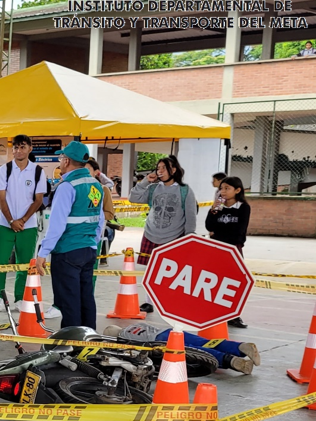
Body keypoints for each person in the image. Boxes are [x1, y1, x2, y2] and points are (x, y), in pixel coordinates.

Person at [33, 142, 104, 329]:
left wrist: (43, 253)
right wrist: (93, 243)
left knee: (69, 302)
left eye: (60, 158)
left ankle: (72, 345)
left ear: (67, 161)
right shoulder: (96, 185)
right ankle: (89, 341)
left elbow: (56, 225)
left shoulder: (67, 186)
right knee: (86, 298)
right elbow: (100, 220)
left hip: (67, 252)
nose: (60, 162)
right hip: (88, 249)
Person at [128, 154, 198, 311]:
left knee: (172, 273)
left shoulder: (185, 190)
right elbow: (133, 197)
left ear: (173, 170)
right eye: (158, 168)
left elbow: (190, 216)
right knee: (150, 271)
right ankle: (149, 302)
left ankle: (171, 301)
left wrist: (189, 238)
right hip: (151, 235)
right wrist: (146, 181)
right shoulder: (153, 188)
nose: (159, 171)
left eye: (163, 168)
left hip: (173, 237)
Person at [0, 134, 48, 314]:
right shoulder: (4, 170)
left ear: (30, 148)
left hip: (27, 226)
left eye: (22, 147)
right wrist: (11, 220)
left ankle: (20, 297)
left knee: (25, 263)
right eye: (15, 147)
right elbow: (0, 198)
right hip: (4, 224)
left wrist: (22, 220)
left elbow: (38, 200)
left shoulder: (38, 171)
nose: (18, 151)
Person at [105, 324, 260, 375]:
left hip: (160, 342)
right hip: (168, 331)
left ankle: (232, 361)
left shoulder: (123, 339)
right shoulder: (134, 326)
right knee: (206, 343)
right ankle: (240, 347)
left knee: (196, 352)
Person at [207, 175, 251, 329]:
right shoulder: (218, 207)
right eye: (221, 188)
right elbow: (209, 226)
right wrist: (213, 210)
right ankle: (213, 312)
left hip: (233, 248)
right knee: (214, 280)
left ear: (237, 190)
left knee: (233, 282)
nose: (223, 192)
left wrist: (217, 233)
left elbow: (239, 231)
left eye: (227, 188)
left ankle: (233, 315)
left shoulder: (243, 208)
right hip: (215, 248)